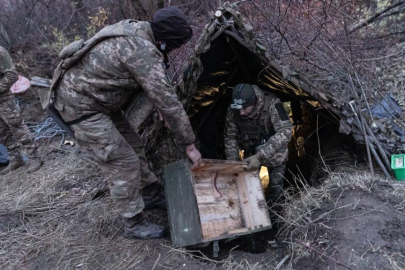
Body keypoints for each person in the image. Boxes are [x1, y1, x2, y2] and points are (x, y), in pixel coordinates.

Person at [49, 7, 201, 240]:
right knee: (122, 161)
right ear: (166, 40)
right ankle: (133, 223)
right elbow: (170, 103)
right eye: (175, 45)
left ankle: (149, 195)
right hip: (80, 105)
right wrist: (190, 145)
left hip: (100, 100)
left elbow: (152, 86)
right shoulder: (142, 50)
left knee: (134, 147)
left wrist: (159, 101)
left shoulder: (141, 29)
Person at [224, 83, 292, 203]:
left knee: (276, 187)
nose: (241, 113)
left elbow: (286, 131)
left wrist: (260, 156)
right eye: (238, 109)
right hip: (250, 152)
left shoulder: (273, 103)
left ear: (254, 103)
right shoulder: (233, 111)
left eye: (245, 108)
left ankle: (276, 213)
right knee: (248, 187)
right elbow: (230, 138)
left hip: (274, 152)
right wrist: (233, 164)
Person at [0, 46, 42, 175]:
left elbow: (12, 75)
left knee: (17, 127)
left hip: (4, 99)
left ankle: (35, 157)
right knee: (3, 132)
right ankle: (16, 158)